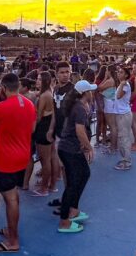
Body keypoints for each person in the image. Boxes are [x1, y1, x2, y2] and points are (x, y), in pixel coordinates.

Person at [0, 73, 37, 253]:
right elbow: (32, 128)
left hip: (6, 159)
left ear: (4, 88)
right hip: (23, 155)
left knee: (10, 199)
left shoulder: (2, 107)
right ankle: (11, 229)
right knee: (13, 195)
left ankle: (13, 241)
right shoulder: (28, 104)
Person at [57, 80, 96, 233]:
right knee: (73, 184)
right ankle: (64, 221)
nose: (92, 93)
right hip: (70, 150)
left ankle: (73, 210)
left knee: (83, 174)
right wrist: (89, 147)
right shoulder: (79, 108)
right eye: (90, 91)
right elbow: (80, 131)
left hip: (70, 148)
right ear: (85, 93)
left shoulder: (78, 106)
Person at [32, 72, 57, 196]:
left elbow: (38, 116)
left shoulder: (44, 96)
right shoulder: (49, 92)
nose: (36, 81)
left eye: (39, 79)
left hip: (43, 128)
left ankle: (44, 188)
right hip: (48, 127)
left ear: (45, 81)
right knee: (51, 158)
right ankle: (51, 185)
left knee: (44, 160)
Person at [113, 66, 134, 171]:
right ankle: (125, 159)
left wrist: (121, 84)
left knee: (124, 138)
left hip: (123, 114)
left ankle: (127, 162)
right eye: (118, 72)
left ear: (126, 75)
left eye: (121, 72)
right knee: (122, 137)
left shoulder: (125, 85)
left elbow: (118, 96)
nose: (118, 74)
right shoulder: (122, 84)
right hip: (121, 114)